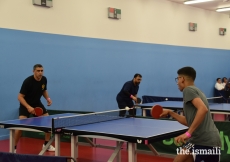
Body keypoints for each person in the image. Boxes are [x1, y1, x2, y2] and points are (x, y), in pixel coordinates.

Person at [161, 67, 221, 162]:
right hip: (213, 140)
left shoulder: (188, 90)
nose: (177, 82)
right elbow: (190, 121)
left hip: (200, 140)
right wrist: (170, 112)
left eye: (178, 79)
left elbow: (203, 109)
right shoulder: (198, 91)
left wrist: (188, 134)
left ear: (182, 79)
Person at [14, 64, 55, 153]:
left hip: (37, 103)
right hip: (26, 104)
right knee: (19, 127)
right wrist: (28, 107)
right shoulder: (28, 81)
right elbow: (20, 97)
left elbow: (43, 90)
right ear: (33, 71)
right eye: (38, 71)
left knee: (48, 122)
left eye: (41, 70)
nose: (40, 72)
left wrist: (48, 99)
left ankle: (46, 144)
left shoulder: (44, 79)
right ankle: (14, 147)